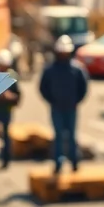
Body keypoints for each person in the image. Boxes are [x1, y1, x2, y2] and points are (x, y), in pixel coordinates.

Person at [39, 35, 89, 174]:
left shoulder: (77, 69)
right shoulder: (50, 70)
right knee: (59, 136)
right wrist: (52, 100)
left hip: (71, 108)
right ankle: (58, 163)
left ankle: (74, 162)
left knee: (72, 136)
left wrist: (75, 101)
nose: (63, 55)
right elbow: (43, 88)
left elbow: (83, 88)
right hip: (57, 108)